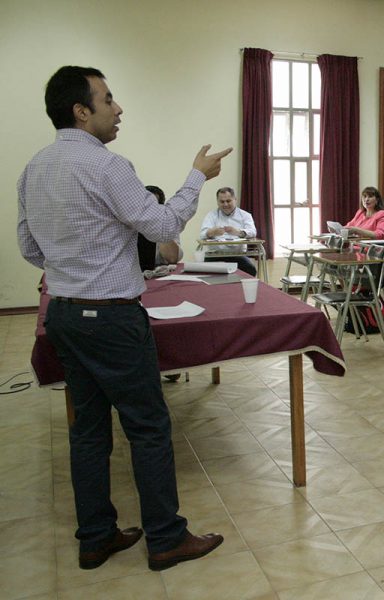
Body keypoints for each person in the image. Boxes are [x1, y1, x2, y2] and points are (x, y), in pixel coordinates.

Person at [17, 66, 229, 571]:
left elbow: (29, 249)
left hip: (65, 315)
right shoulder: (108, 167)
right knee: (149, 427)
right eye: (108, 99)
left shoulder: (34, 169)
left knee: (88, 431)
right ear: (81, 111)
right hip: (112, 319)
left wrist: (73, 262)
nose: (118, 108)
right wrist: (196, 175)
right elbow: (160, 224)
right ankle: (166, 539)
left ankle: (95, 537)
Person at [199, 187, 258, 276]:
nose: (225, 204)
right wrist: (211, 232)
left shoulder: (245, 215)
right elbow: (202, 235)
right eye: (222, 202)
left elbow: (253, 232)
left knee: (251, 269)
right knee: (205, 271)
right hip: (215, 255)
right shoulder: (211, 215)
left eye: (228, 201)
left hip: (238, 255)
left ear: (235, 200)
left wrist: (238, 232)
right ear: (217, 202)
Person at [138, 185, 182, 270]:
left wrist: (157, 224)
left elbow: (172, 258)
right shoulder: (130, 222)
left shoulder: (167, 224)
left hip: (158, 272)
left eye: (153, 206)